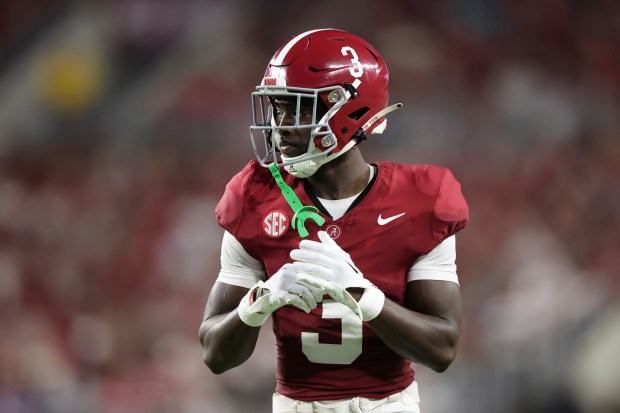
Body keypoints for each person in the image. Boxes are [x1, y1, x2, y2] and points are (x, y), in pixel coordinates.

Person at [199, 28, 469, 413]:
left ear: (350, 110)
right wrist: (259, 302)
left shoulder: (422, 200)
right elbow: (214, 353)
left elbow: (443, 349)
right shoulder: (254, 196)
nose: (282, 126)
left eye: (300, 108)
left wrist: (363, 296)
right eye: (278, 107)